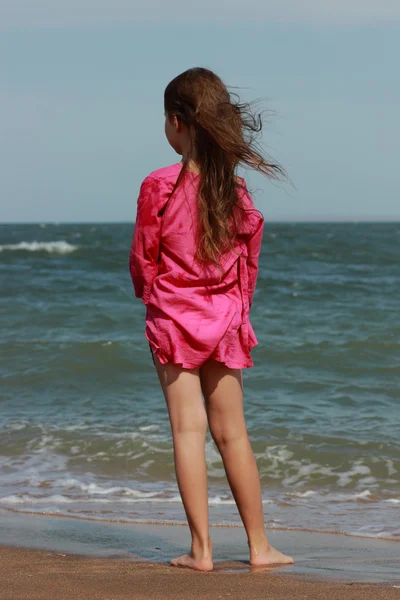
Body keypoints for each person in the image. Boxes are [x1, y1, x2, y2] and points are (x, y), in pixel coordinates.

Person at [129, 67, 294, 572]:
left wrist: (154, 297)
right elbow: (249, 263)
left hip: (174, 319)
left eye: (166, 118)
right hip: (224, 319)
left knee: (187, 431)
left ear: (178, 123)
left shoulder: (159, 185)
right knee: (233, 434)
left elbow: (143, 259)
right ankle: (259, 546)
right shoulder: (236, 192)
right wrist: (238, 313)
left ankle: (201, 551)